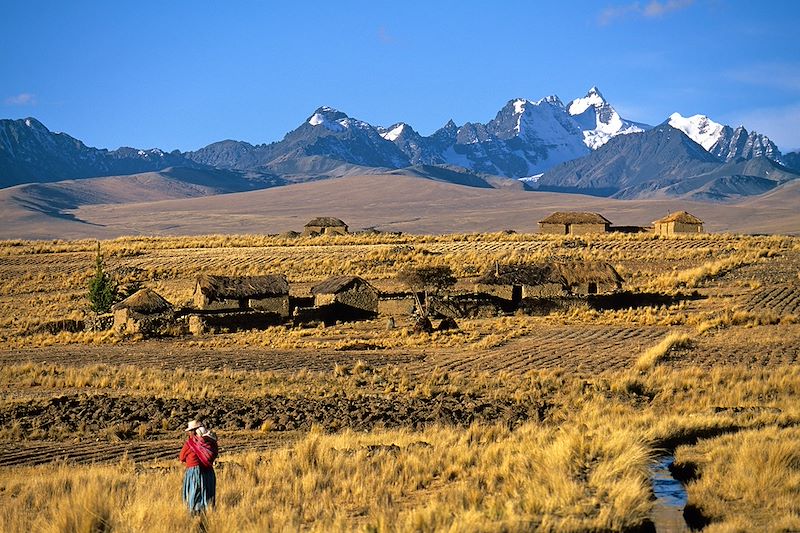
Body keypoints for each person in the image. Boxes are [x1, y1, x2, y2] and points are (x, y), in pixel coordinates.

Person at [179, 419, 218, 514]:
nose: (188, 433)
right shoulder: (211, 442)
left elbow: (181, 457)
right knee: (208, 492)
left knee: (194, 492)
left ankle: (195, 513)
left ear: (194, 431)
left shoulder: (190, 443)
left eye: (189, 431)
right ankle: (207, 512)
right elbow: (215, 453)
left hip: (194, 471)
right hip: (208, 471)